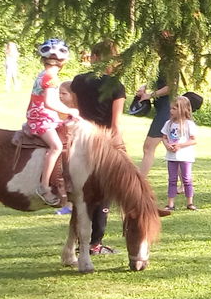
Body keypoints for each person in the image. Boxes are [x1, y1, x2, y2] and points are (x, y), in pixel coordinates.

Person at [70, 39, 127, 254]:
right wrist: (119, 149)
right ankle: (95, 243)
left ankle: (78, 241)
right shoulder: (116, 86)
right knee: (103, 195)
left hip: (80, 141)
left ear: (93, 58)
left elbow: (77, 111)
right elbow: (115, 124)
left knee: (80, 194)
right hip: (103, 145)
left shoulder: (78, 81)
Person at [24, 38, 79, 206]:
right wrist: (70, 110)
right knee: (55, 147)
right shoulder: (51, 78)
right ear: (63, 62)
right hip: (41, 119)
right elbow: (49, 102)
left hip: (45, 116)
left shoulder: (45, 74)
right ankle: (44, 187)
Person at [133, 31, 179, 178]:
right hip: (164, 109)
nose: (154, 45)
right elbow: (159, 82)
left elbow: (171, 86)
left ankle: (140, 181)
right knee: (171, 147)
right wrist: (144, 87)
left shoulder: (171, 62)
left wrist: (150, 95)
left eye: (156, 42)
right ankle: (185, 184)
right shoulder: (164, 61)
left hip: (167, 110)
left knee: (148, 147)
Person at [163, 92, 202, 211]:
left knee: (187, 179)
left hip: (185, 157)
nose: (171, 111)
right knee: (172, 179)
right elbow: (164, 137)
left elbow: (193, 140)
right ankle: (170, 203)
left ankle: (190, 202)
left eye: (174, 108)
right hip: (172, 157)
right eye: (171, 108)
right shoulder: (168, 124)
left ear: (182, 109)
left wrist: (180, 145)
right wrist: (168, 145)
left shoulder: (189, 124)